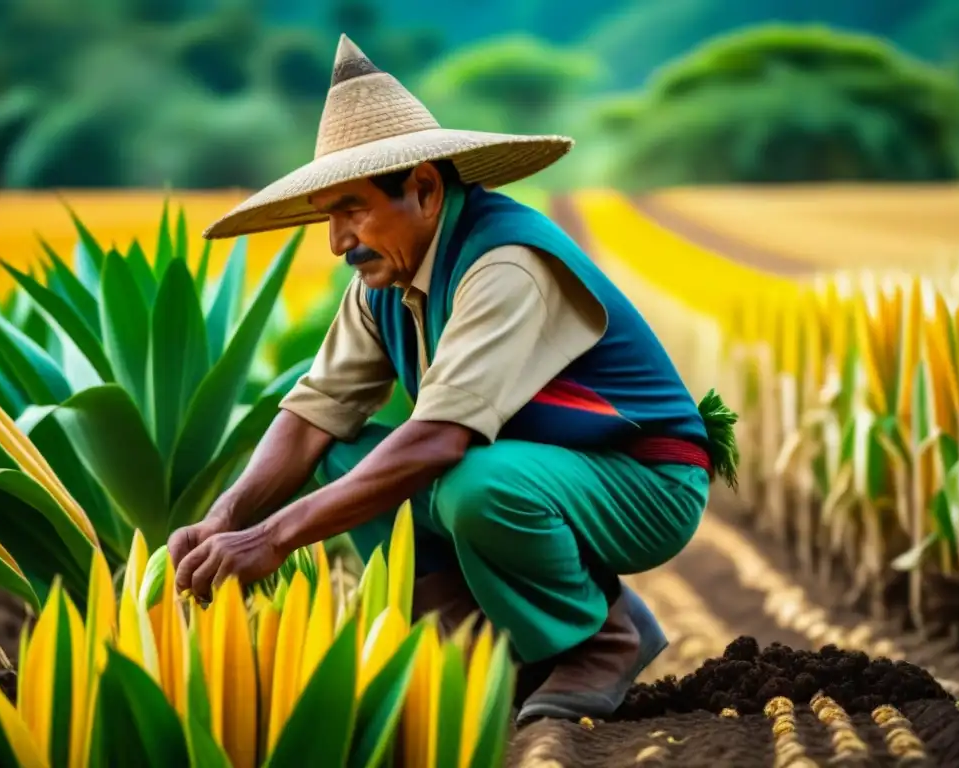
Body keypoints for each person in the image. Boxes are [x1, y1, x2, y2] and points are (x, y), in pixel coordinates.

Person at [169, 33, 739, 724]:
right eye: (329, 217)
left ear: (425, 190)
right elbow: (315, 411)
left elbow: (438, 441)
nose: (338, 242)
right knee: (345, 452)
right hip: (546, 471)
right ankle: (471, 645)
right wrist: (228, 516)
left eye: (352, 209)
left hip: (642, 483)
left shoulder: (505, 264)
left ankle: (605, 637)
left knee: (475, 485)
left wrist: (273, 539)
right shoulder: (386, 276)